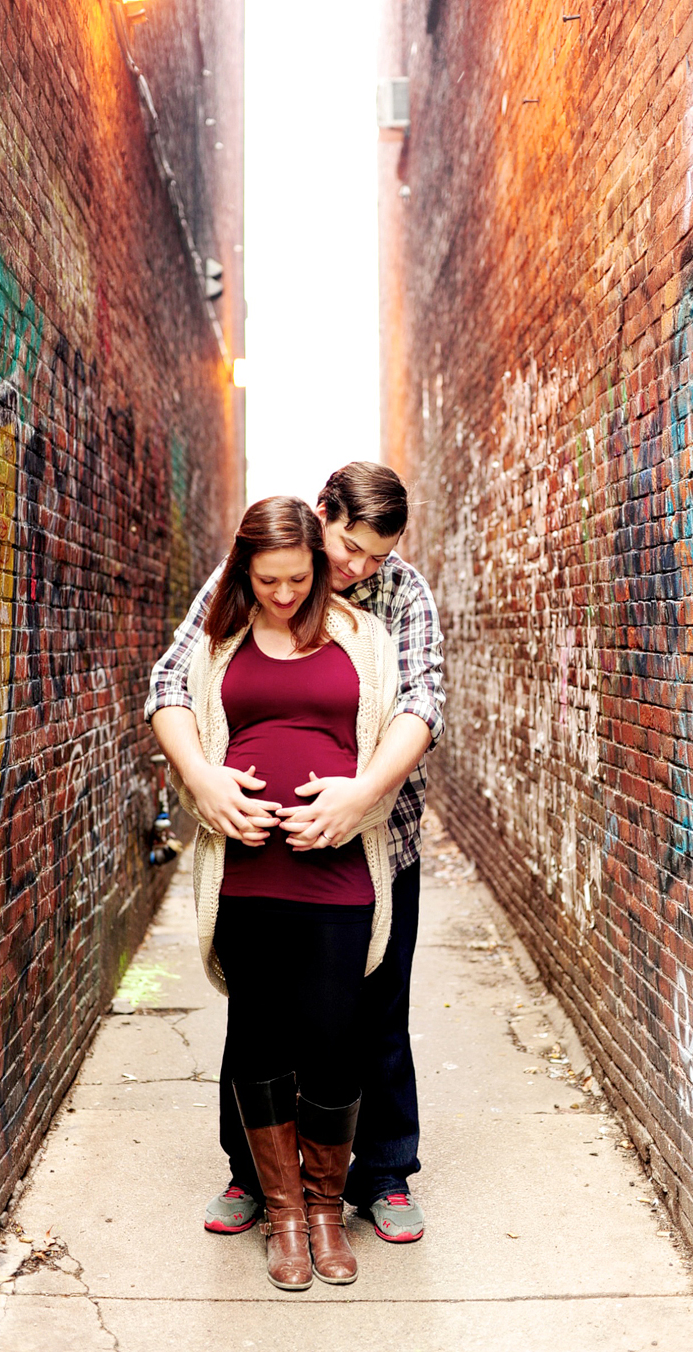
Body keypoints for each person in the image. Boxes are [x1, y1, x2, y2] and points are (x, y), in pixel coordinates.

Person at [147, 462, 445, 1244]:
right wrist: (203, 779)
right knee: (259, 1016)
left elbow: (422, 701)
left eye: (377, 558)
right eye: (349, 549)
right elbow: (172, 680)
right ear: (322, 517)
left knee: (373, 1012)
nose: (359, 569)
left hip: (381, 839)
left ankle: (381, 1175)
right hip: (255, 863)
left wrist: (361, 795)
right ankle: (253, 1174)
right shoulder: (266, 568)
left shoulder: (399, 596)